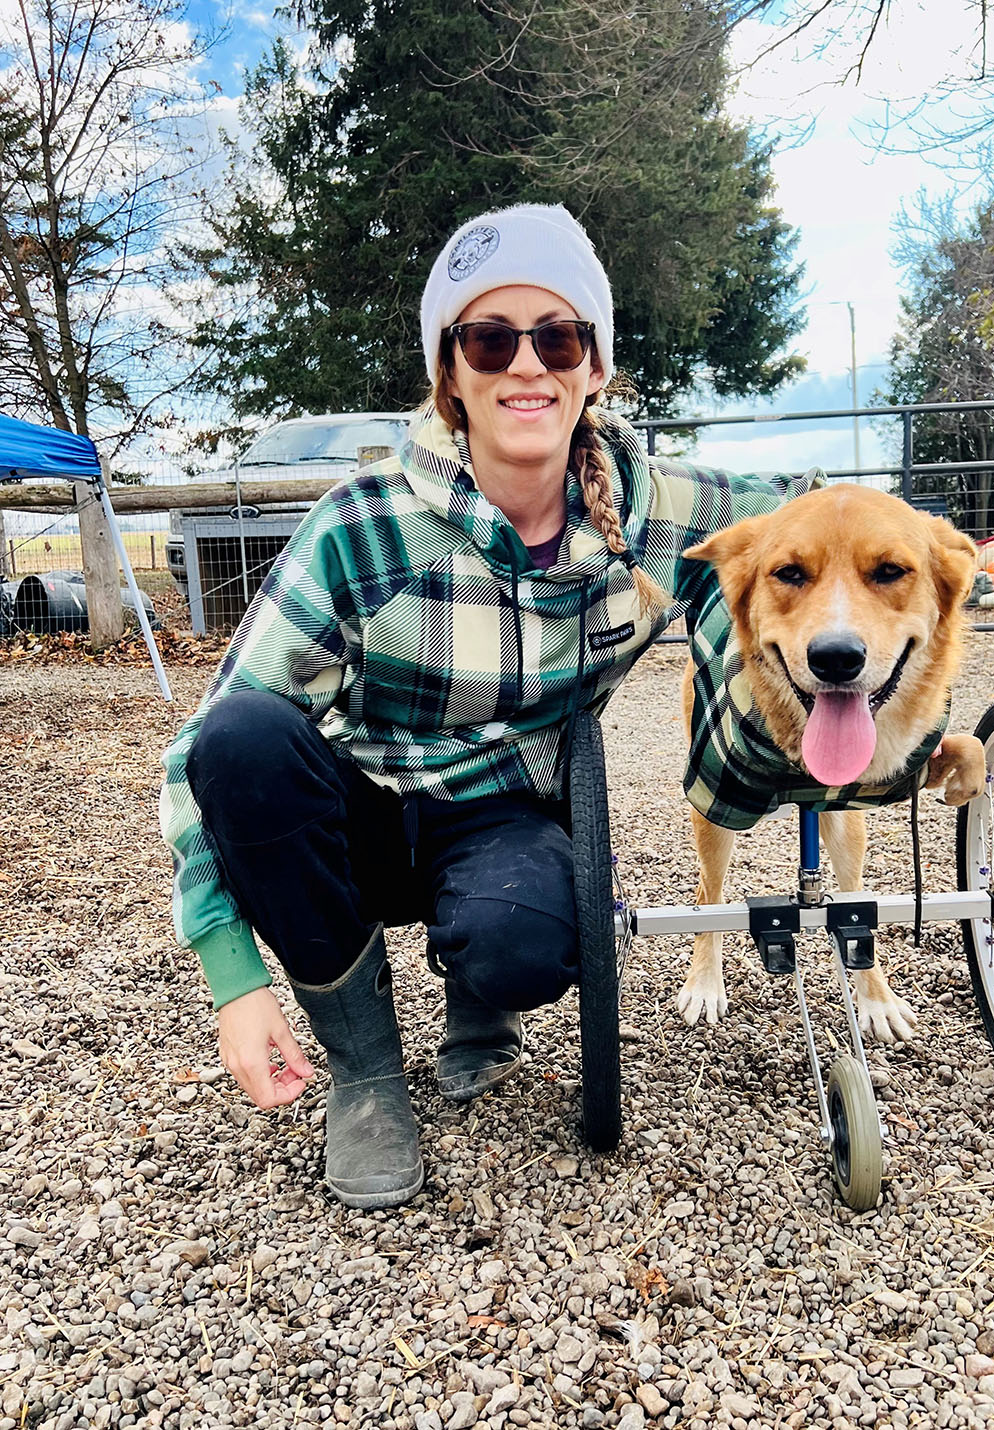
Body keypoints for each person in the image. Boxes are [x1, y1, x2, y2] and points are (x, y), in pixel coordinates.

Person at [160, 202, 811, 1210]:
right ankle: (368, 1071)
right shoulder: (360, 524)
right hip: (358, 811)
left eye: (556, 336)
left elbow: (811, 527)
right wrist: (233, 974)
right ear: (451, 374)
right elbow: (199, 751)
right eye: (489, 338)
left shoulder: (663, 515)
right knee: (242, 742)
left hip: (502, 814)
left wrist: (906, 604)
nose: (526, 365)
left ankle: (484, 991)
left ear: (593, 366)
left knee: (524, 936)